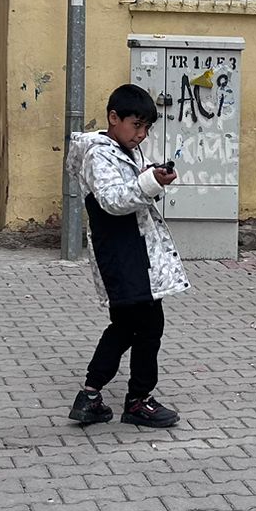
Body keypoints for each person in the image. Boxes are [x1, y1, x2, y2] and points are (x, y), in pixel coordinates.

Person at [64, 84, 191, 429]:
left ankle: (91, 395)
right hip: (121, 252)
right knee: (146, 326)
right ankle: (137, 401)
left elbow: (133, 187)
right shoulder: (98, 154)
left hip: (134, 250)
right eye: (137, 125)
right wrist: (149, 182)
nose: (142, 134)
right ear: (113, 117)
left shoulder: (124, 151)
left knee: (128, 325)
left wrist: (155, 176)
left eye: (147, 127)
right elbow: (113, 199)